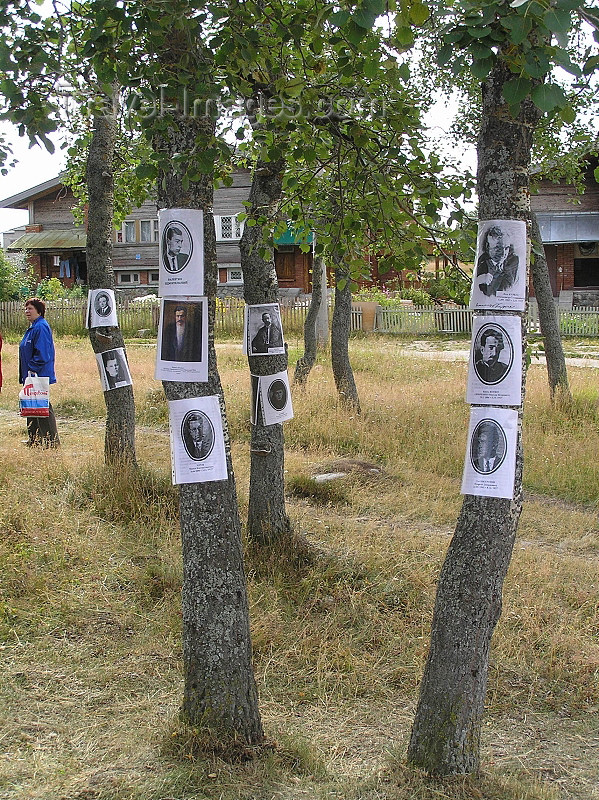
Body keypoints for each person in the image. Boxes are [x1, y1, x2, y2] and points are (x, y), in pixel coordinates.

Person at [19, 297, 60, 447]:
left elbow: (43, 353)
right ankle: (34, 439)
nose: (27, 311)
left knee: (42, 406)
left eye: (30, 309)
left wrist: (32, 369)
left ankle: (51, 441)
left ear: (39, 310)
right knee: (31, 405)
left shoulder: (41, 327)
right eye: (26, 308)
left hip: (38, 374)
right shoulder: (33, 327)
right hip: (30, 374)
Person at [475, 224, 519, 297]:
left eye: (506, 248)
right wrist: (479, 280)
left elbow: (511, 285)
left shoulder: (513, 261)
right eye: (498, 248)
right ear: (488, 247)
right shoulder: (482, 262)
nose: (503, 253)